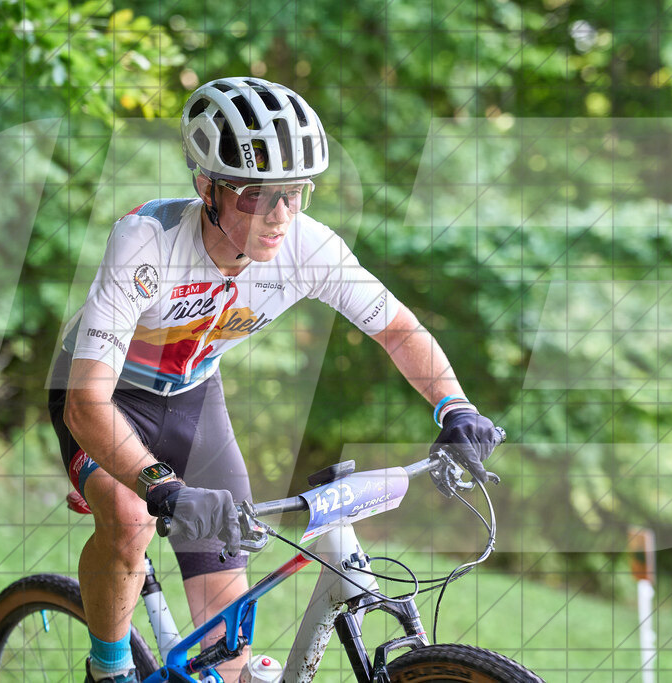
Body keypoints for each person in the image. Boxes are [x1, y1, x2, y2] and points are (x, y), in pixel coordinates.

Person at [48, 76, 503, 683]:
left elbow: (397, 329)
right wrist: (160, 485)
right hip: (103, 395)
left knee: (228, 660)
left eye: (295, 194)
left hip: (192, 400)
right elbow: (86, 402)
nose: (279, 216)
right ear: (206, 187)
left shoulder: (306, 248)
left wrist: (456, 407)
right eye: (257, 196)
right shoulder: (147, 241)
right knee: (130, 521)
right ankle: (108, 670)